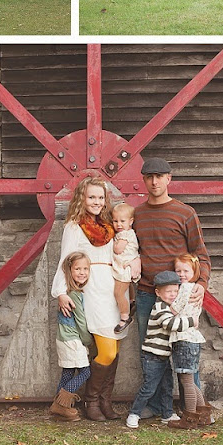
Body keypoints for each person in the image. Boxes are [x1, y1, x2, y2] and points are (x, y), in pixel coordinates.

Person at [131, 157, 211, 419]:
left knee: (185, 351)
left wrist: (201, 282)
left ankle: (195, 408)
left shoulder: (185, 213)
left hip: (180, 297)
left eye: (159, 176)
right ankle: (159, 406)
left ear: (169, 178)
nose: (154, 181)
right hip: (147, 294)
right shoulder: (138, 214)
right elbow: (131, 248)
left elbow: (201, 254)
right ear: (143, 180)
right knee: (154, 353)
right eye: (149, 176)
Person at [51, 177, 128, 421]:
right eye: (91, 197)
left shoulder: (109, 225)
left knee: (113, 349)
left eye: (100, 197)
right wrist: (61, 292)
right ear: (82, 199)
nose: (96, 202)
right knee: (105, 351)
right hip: (91, 290)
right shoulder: (74, 227)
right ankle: (91, 400)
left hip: (113, 288)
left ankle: (105, 401)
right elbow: (66, 260)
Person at [125, 270, 198, 429]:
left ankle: (167, 413)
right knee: (149, 388)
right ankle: (134, 413)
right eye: (168, 292)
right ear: (158, 292)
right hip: (152, 357)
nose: (172, 295)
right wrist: (192, 321)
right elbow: (170, 325)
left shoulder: (170, 307)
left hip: (164, 357)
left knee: (167, 386)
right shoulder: (160, 308)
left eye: (175, 291)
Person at [167, 253, 214, 430]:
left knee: (186, 381)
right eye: (178, 270)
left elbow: (174, 309)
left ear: (194, 271)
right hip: (191, 337)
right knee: (190, 380)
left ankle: (190, 418)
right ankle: (204, 416)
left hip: (184, 337)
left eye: (185, 270)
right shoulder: (194, 288)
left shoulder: (186, 288)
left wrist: (164, 305)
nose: (181, 274)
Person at [50, 251, 94, 421]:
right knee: (85, 372)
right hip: (72, 340)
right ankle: (62, 405)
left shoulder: (69, 292)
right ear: (69, 271)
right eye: (78, 269)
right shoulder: (74, 294)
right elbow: (81, 323)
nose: (82, 272)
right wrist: (88, 341)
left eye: (86, 269)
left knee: (68, 372)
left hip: (63, 338)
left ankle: (57, 406)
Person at [110, 202, 141, 334]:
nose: (119, 224)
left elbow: (118, 249)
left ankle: (125, 317)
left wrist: (113, 242)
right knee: (128, 287)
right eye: (115, 221)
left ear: (131, 221)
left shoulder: (125, 235)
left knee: (118, 292)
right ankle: (132, 301)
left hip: (124, 267)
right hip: (126, 265)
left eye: (122, 221)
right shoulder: (128, 232)